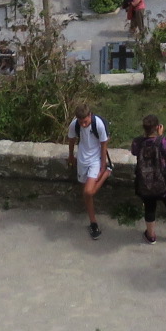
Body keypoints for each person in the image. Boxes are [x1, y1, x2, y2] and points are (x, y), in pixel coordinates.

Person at [129, 114, 166, 244]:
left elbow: (133, 152)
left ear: (144, 128)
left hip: (145, 182)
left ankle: (151, 235)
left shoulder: (137, 142)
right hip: (163, 180)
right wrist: (161, 136)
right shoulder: (161, 141)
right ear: (157, 127)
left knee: (149, 207)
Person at [66, 99, 111, 239]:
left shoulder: (99, 124)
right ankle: (93, 223)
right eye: (81, 122)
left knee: (88, 191)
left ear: (90, 115)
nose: (83, 124)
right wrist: (71, 156)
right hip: (82, 159)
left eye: (85, 121)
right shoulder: (75, 125)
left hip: (95, 160)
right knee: (86, 195)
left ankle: (107, 174)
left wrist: (103, 167)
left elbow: (104, 145)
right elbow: (71, 140)